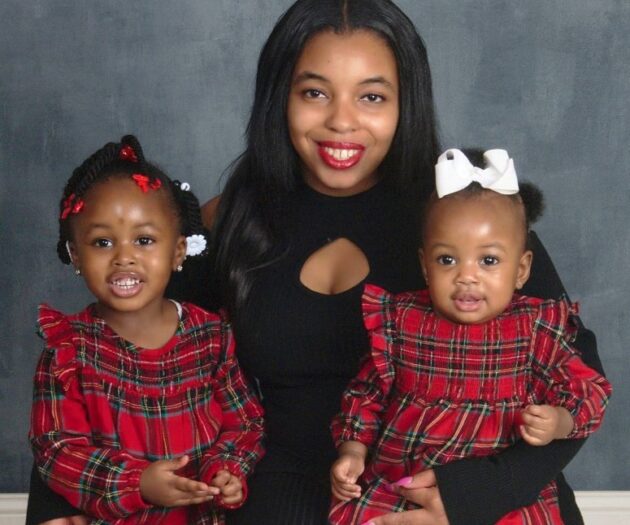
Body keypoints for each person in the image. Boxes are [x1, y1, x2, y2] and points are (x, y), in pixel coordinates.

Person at [27, 1, 605, 524]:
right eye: (315, 92)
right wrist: (55, 504)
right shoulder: (228, 218)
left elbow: (579, 380)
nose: (342, 122)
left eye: (372, 96)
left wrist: (475, 494)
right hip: (275, 488)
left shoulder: (467, 220)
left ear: (407, 102)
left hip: (456, 484)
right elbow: (108, 351)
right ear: (282, 96)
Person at [329, 148, 612, 525]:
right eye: (447, 259)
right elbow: (366, 395)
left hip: (498, 493)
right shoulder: (401, 320)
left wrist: (559, 420)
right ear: (425, 266)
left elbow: (587, 389)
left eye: (489, 261)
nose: (467, 276)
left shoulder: (535, 328)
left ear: (522, 269)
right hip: (402, 480)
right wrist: (352, 450)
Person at [28, 135, 265, 525]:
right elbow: (56, 450)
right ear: (74, 255)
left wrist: (227, 469)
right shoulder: (68, 350)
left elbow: (245, 423)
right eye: (103, 242)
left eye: (144, 240)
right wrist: (136, 483)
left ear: (178, 252)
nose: (124, 257)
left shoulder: (211, 337)